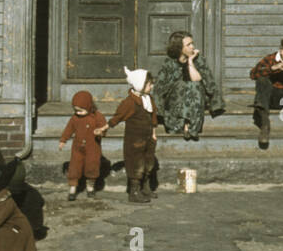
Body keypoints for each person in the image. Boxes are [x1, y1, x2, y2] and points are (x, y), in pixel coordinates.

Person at [154, 30, 224, 140]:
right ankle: (184, 124)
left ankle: (189, 126)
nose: (193, 47)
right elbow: (161, 88)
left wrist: (190, 61)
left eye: (192, 43)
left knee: (194, 86)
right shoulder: (169, 63)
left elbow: (199, 80)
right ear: (179, 48)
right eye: (188, 45)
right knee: (182, 85)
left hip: (196, 100)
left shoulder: (199, 60)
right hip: (175, 101)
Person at [101, 67, 158, 204]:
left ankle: (145, 187)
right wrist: (105, 127)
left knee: (148, 162)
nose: (151, 86)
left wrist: (154, 133)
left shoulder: (148, 99)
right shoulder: (130, 102)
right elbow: (118, 117)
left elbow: (153, 117)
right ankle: (134, 191)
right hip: (135, 140)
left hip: (148, 138)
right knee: (136, 164)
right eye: (149, 84)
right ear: (140, 85)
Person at [59, 90, 107, 200]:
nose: (78, 113)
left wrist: (100, 132)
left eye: (81, 110)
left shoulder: (97, 116)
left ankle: (90, 187)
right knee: (74, 167)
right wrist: (63, 140)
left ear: (89, 106)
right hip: (77, 148)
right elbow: (69, 129)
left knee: (92, 166)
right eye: (76, 110)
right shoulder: (75, 118)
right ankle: (72, 189)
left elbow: (103, 127)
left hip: (93, 147)